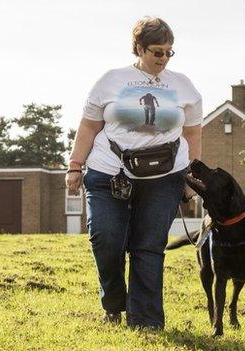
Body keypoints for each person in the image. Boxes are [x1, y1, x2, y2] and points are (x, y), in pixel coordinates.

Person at [65, 16, 202, 330]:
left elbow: (193, 134)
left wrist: (191, 177)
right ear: (139, 49)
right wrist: (75, 165)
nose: (163, 58)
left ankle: (146, 322)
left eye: (169, 52)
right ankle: (113, 304)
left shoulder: (184, 86)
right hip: (109, 170)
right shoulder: (111, 80)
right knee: (106, 241)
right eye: (156, 51)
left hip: (164, 177)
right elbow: (88, 127)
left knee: (149, 246)